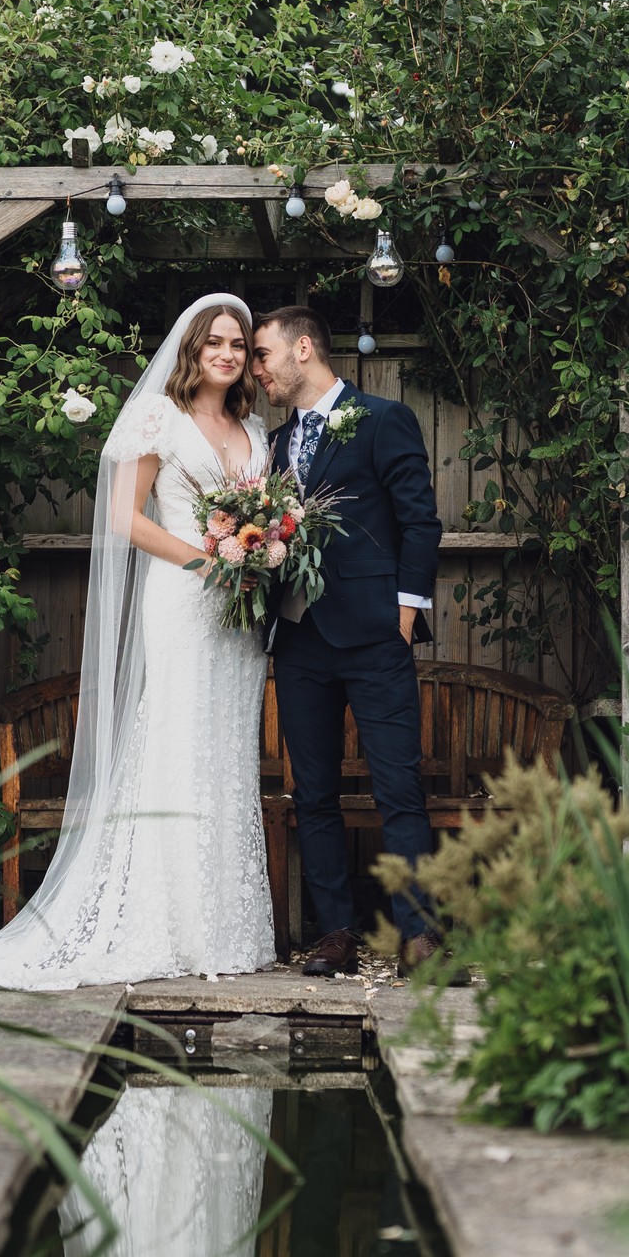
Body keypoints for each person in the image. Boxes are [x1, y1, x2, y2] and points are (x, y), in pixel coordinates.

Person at [0, 293, 276, 991]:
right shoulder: (160, 417)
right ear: (192, 348)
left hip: (240, 614)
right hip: (184, 599)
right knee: (179, 743)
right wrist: (205, 562)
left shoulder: (253, 428)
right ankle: (172, 924)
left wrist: (260, 552)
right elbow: (124, 516)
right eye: (214, 341)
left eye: (238, 344)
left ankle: (225, 924)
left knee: (226, 751)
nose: (227, 353)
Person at [252, 305, 442, 977]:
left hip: (374, 636)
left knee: (398, 787)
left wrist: (405, 615)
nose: (257, 370)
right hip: (300, 641)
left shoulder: (384, 419)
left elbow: (420, 522)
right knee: (314, 794)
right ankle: (334, 933)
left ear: (303, 348)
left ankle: (419, 934)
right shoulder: (274, 445)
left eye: (263, 355)